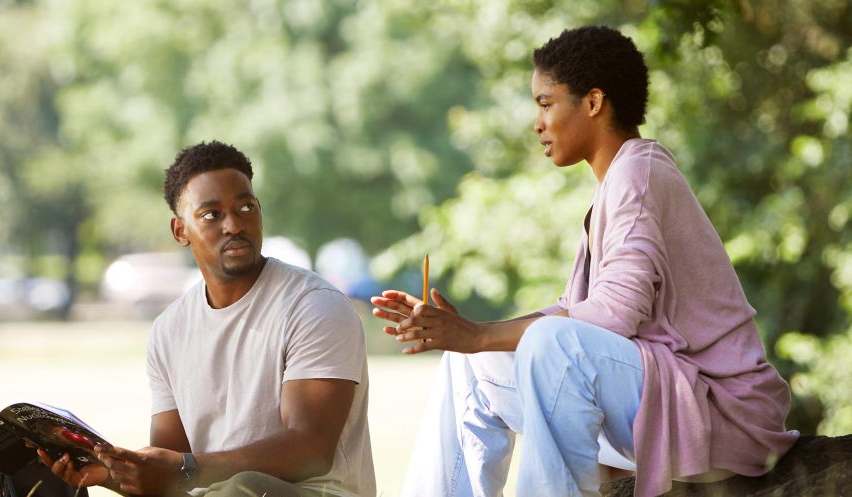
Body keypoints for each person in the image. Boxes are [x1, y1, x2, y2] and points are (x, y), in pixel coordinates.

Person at [370, 26, 799, 497]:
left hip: (721, 415)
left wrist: (481, 334)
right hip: (665, 402)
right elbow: (578, 314)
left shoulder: (639, 170)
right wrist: (468, 335)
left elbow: (611, 317)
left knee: (548, 343)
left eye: (545, 103)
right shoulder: (617, 182)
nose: (537, 123)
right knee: (469, 365)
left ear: (593, 102)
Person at [40, 141, 377, 497]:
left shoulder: (314, 306)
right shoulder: (169, 331)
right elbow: (170, 467)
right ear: (180, 231)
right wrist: (110, 473)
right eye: (212, 215)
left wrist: (187, 468)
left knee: (242, 488)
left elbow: (311, 452)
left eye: (245, 207)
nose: (234, 225)